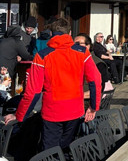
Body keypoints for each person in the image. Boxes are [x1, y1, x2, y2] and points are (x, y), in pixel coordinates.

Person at [4, 17, 101, 150]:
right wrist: (93, 106)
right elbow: (95, 80)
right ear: (70, 33)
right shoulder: (82, 52)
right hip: (75, 109)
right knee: (68, 149)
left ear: (51, 34)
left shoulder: (42, 56)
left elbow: (33, 92)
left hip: (52, 111)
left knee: (50, 152)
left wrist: (19, 115)